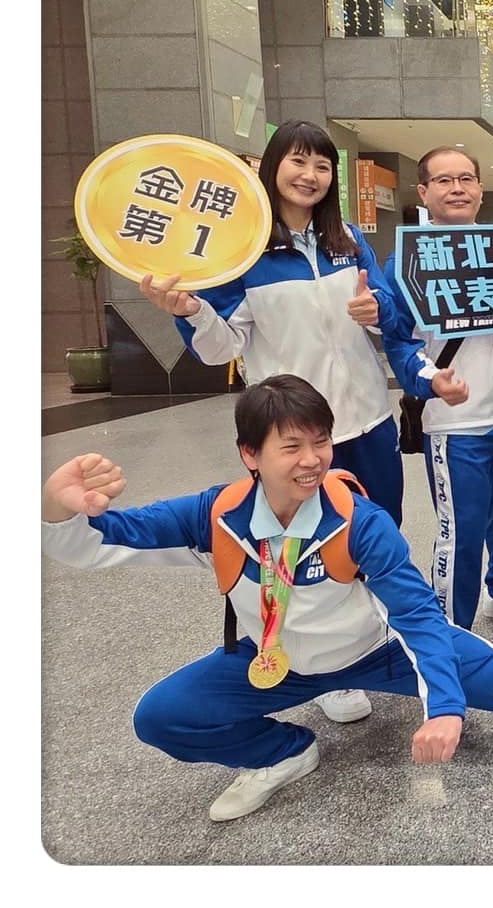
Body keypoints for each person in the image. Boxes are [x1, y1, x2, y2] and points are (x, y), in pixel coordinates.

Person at [39, 375, 493, 823]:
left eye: (320, 442)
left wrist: (444, 708)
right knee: (161, 716)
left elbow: (417, 618)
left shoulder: (360, 523)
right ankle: (282, 753)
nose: (312, 459)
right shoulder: (212, 515)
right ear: (250, 454)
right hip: (277, 661)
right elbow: (101, 542)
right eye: (291, 446)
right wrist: (58, 508)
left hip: (380, 652)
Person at [140, 119, 402, 726]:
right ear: (272, 168)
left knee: (375, 532)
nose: (310, 176)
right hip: (293, 436)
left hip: (367, 418)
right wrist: (191, 310)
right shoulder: (245, 251)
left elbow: (386, 309)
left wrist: (377, 307)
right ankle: (326, 669)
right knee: (301, 546)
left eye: (322, 165)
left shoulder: (347, 240)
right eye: (297, 162)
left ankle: (373, 638)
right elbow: (219, 347)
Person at [380, 146, 493, 630]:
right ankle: (450, 629)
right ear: (423, 191)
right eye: (444, 180)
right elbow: (399, 340)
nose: (457, 189)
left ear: (480, 189)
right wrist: (430, 381)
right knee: (463, 530)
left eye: (466, 179)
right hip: (455, 420)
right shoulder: (405, 260)